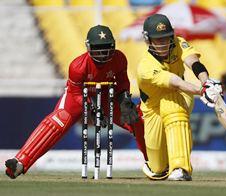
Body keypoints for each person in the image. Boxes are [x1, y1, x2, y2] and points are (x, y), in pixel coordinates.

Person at [5, 25, 148, 179]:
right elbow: (75, 93)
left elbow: (122, 84)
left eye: (106, 48)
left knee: (137, 119)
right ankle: (20, 162)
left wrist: (125, 101)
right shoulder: (77, 66)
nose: (102, 53)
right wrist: (92, 109)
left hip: (107, 95)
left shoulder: (119, 59)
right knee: (59, 120)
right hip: (79, 96)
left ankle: (155, 162)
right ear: (88, 47)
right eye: (98, 48)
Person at [137, 14, 223, 181]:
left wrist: (207, 83)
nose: (163, 43)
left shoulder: (178, 42)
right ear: (148, 40)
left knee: (172, 103)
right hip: (152, 109)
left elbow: (193, 62)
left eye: (166, 38)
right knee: (158, 168)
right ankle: (160, 165)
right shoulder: (145, 67)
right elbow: (174, 81)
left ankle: (180, 167)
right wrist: (201, 91)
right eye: (158, 40)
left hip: (180, 94)